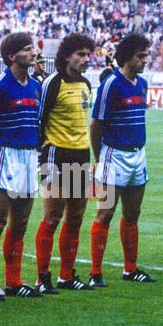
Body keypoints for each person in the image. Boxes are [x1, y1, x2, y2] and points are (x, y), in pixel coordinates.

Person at [0, 32, 43, 300]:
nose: (33, 52)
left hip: (28, 157)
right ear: (11, 56)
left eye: (33, 48)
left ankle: (14, 281)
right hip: (4, 155)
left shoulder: (36, 86)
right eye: (27, 49)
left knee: (21, 223)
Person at [90, 33, 156, 285]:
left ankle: (131, 268)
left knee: (132, 214)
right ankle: (95, 272)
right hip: (113, 155)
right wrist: (100, 158)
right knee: (105, 213)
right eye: (141, 56)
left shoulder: (141, 83)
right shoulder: (112, 84)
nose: (146, 60)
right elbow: (96, 125)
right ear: (128, 57)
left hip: (138, 154)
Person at [35, 33, 96, 291]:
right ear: (67, 56)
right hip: (56, 155)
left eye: (87, 54)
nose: (85, 59)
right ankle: (42, 277)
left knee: (76, 217)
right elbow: (39, 121)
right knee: (52, 217)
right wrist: (40, 157)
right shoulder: (52, 83)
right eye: (80, 54)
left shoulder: (85, 84)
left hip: (82, 155)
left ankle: (67, 275)